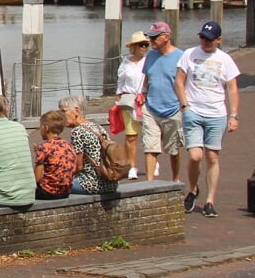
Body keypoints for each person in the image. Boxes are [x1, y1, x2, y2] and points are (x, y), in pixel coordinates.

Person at [174, 20, 240, 218]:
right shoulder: (189, 54)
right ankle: (193, 189)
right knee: (195, 155)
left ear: (218, 40)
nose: (204, 42)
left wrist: (234, 115)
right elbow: (179, 80)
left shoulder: (225, 59)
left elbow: (232, 88)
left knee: (212, 157)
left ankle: (210, 199)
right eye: (202, 37)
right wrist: (185, 105)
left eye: (209, 39)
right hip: (193, 110)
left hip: (216, 113)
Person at [138, 21, 185, 187]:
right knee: (150, 147)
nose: (151, 42)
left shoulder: (181, 56)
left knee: (173, 150)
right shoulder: (150, 56)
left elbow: (186, 82)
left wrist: (184, 104)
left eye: (154, 38)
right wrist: (142, 93)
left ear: (166, 37)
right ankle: (149, 184)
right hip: (151, 107)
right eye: (150, 38)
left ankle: (176, 179)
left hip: (173, 108)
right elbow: (147, 76)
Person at [59, 96, 113, 196]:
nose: (61, 116)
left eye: (63, 111)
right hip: (110, 181)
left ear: (76, 110)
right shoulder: (97, 127)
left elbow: (79, 166)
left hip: (93, 183)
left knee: (51, 185)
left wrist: (61, 176)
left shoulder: (77, 131)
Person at [113, 31, 149, 172]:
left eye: (146, 45)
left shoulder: (148, 61)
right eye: (141, 45)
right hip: (128, 100)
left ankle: (152, 160)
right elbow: (120, 82)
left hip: (145, 99)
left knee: (148, 133)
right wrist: (119, 96)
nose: (144, 47)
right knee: (130, 135)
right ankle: (132, 165)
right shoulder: (125, 63)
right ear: (134, 46)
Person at [32, 110, 76, 200]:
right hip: (65, 191)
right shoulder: (68, 145)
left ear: (46, 128)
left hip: (47, 192)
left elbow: (37, 178)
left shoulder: (43, 147)